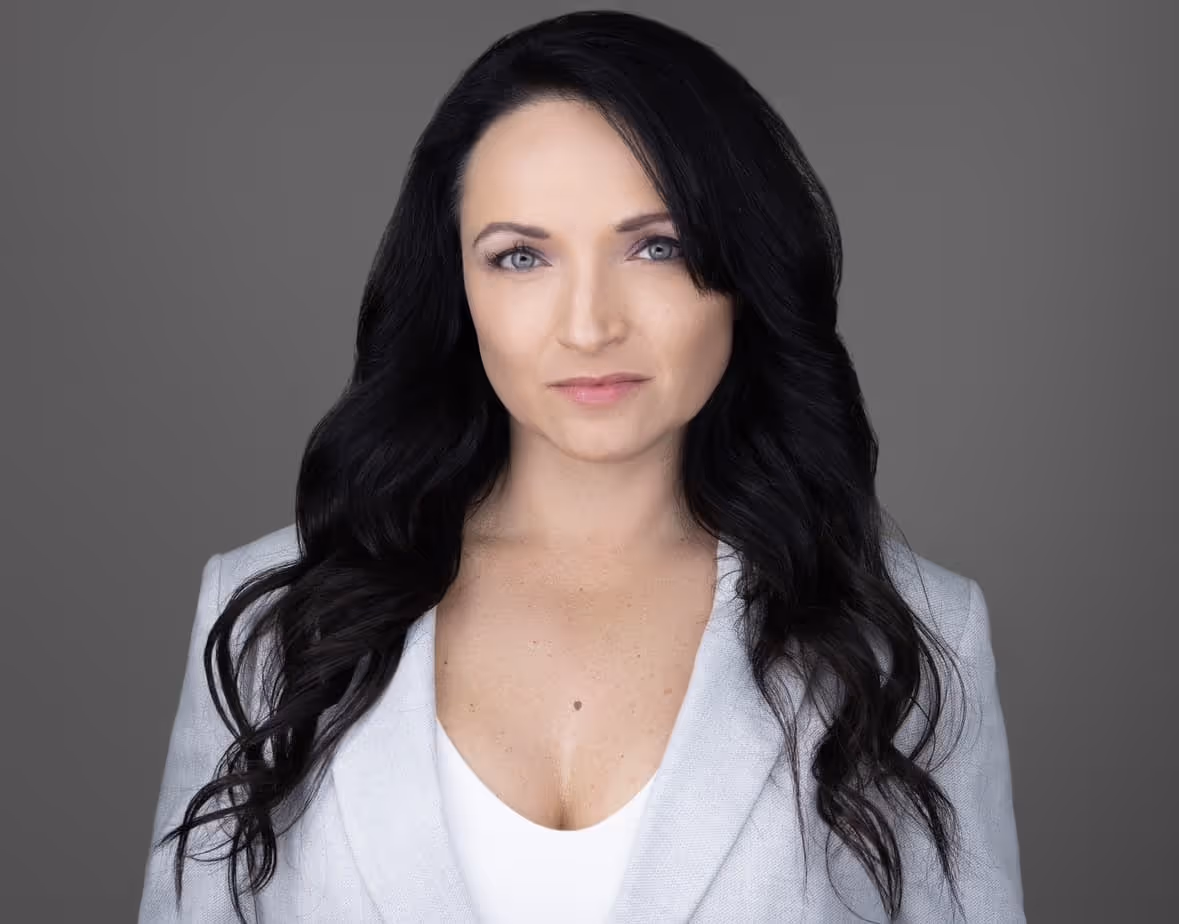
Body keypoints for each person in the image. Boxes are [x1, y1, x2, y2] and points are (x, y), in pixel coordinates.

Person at [138, 9, 1023, 923]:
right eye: (520, 256)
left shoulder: (911, 640)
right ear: (458, 288)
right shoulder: (276, 622)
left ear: (742, 273)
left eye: (656, 246)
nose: (590, 324)